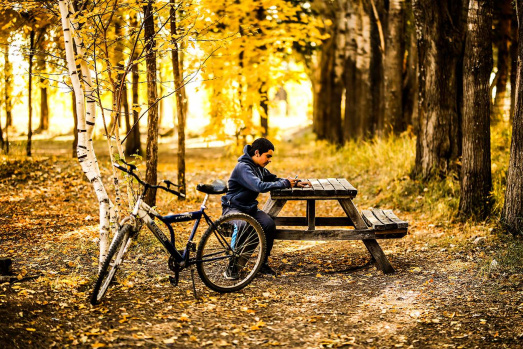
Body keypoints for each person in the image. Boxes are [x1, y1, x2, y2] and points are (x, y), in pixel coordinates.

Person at [221, 138, 310, 277]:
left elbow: (274, 179)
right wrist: (285, 183)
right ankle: (232, 267)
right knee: (243, 225)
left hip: (249, 208)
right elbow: (259, 186)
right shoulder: (243, 167)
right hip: (233, 209)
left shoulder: (259, 168)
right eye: (268, 156)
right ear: (257, 153)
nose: (270, 159)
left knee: (268, 224)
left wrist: (293, 183)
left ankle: (262, 264)